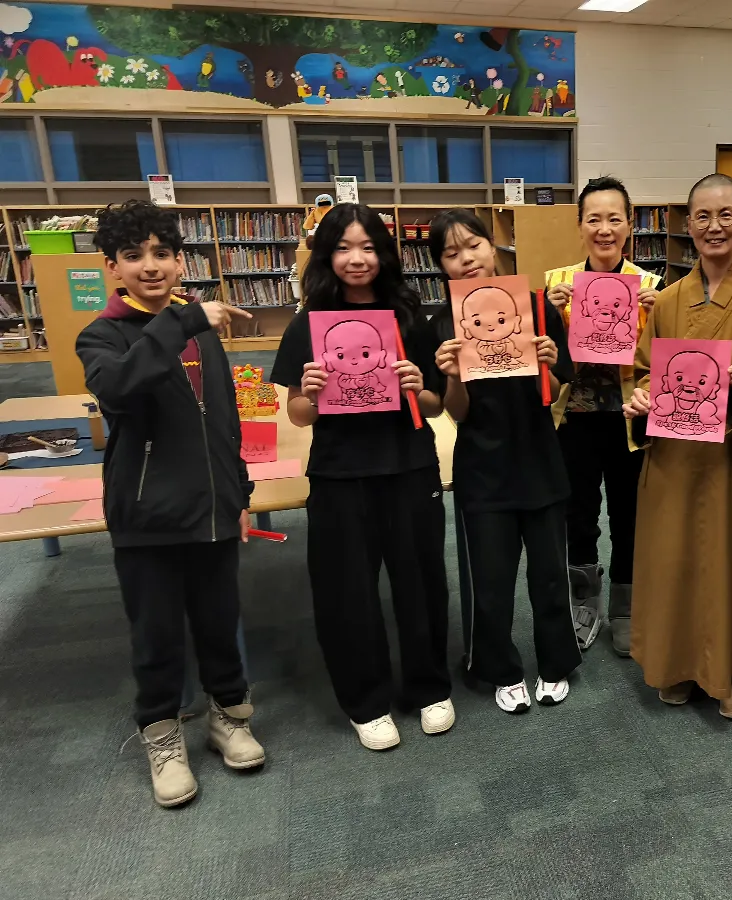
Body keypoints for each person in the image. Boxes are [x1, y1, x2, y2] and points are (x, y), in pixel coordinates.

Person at [75, 200, 265, 808]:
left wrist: (239, 491)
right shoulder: (101, 333)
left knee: (218, 623)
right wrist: (181, 324)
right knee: (155, 635)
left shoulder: (194, 325)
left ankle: (229, 719)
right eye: (133, 256)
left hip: (210, 508)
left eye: (162, 254)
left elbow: (225, 419)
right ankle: (162, 739)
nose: (150, 267)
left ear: (180, 260)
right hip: (145, 519)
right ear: (112, 267)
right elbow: (120, 389)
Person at [270, 204, 453, 750]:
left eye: (369, 247)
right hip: (340, 473)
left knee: (421, 583)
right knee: (346, 591)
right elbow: (297, 415)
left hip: (409, 465)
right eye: (345, 248)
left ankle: (428, 686)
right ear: (327, 255)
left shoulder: (407, 317)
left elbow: (437, 405)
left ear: (385, 254)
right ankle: (365, 699)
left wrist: (417, 384)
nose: (358, 259)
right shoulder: (308, 324)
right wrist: (311, 391)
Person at [622, 173, 732, 720]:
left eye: (725, 215)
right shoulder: (666, 302)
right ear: (687, 226)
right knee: (673, 560)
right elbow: (642, 373)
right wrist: (640, 399)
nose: (714, 227)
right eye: (703, 217)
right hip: (673, 458)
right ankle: (676, 665)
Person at [429, 208, 581, 714]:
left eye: (473, 245)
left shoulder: (538, 308)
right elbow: (458, 415)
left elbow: (557, 393)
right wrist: (452, 375)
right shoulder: (444, 323)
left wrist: (551, 364)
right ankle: (499, 666)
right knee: (490, 582)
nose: (466, 258)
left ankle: (556, 661)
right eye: (451, 253)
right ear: (441, 266)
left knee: (549, 577)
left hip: (540, 461)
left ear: (493, 248)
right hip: (483, 471)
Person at [545, 176, 662, 654]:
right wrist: (547, 316)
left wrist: (659, 320)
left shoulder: (653, 288)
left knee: (630, 513)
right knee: (578, 514)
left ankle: (626, 606)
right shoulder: (557, 284)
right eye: (594, 219)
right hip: (572, 419)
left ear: (629, 226)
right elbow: (538, 360)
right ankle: (583, 601)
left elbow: (664, 367)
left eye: (615, 219)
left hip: (630, 420)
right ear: (579, 227)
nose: (605, 229)